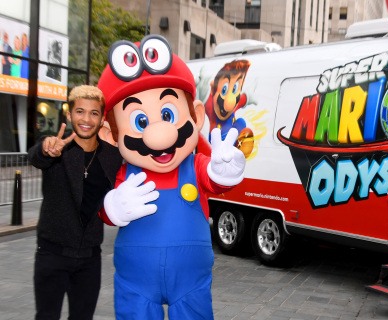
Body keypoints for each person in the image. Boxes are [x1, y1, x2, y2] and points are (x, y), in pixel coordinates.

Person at [97, 34, 246, 319]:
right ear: (110, 135)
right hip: (136, 283)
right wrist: (113, 206)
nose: (157, 135)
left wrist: (226, 169)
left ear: (197, 116)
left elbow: (215, 180)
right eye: (140, 121)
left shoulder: (195, 165)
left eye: (168, 113)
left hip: (189, 284)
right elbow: (103, 207)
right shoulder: (122, 174)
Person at [27, 85, 123, 320]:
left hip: (90, 258)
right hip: (52, 254)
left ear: (101, 119)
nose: (86, 119)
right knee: (46, 316)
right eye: (80, 112)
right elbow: (36, 157)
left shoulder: (113, 156)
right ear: (69, 116)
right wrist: (46, 150)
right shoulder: (57, 148)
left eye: (94, 113)